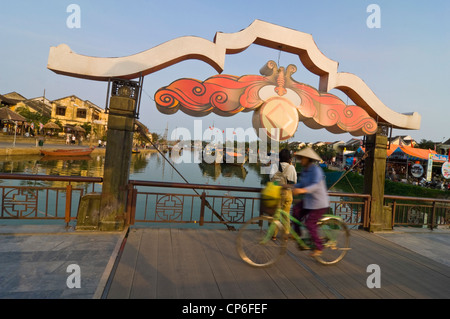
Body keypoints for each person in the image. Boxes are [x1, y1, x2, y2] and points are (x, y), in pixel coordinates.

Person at [290, 147, 329, 258]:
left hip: (319, 203)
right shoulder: (305, 170)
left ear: (307, 159)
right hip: (309, 201)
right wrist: (289, 186)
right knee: (296, 211)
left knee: (310, 224)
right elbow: (301, 184)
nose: (300, 160)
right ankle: (297, 234)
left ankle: (319, 247)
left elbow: (315, 185)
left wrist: (302, 190)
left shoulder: (316, 170)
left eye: (302, 158)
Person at [269, 149, 297, 238]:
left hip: (276, 193)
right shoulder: (291, 168)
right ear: (289, 158)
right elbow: (294, 182)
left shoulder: (274, 166)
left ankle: (274, 235)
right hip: (287, 193)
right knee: (286, 215)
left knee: (276, 215)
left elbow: (271, 179)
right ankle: (286, 234)